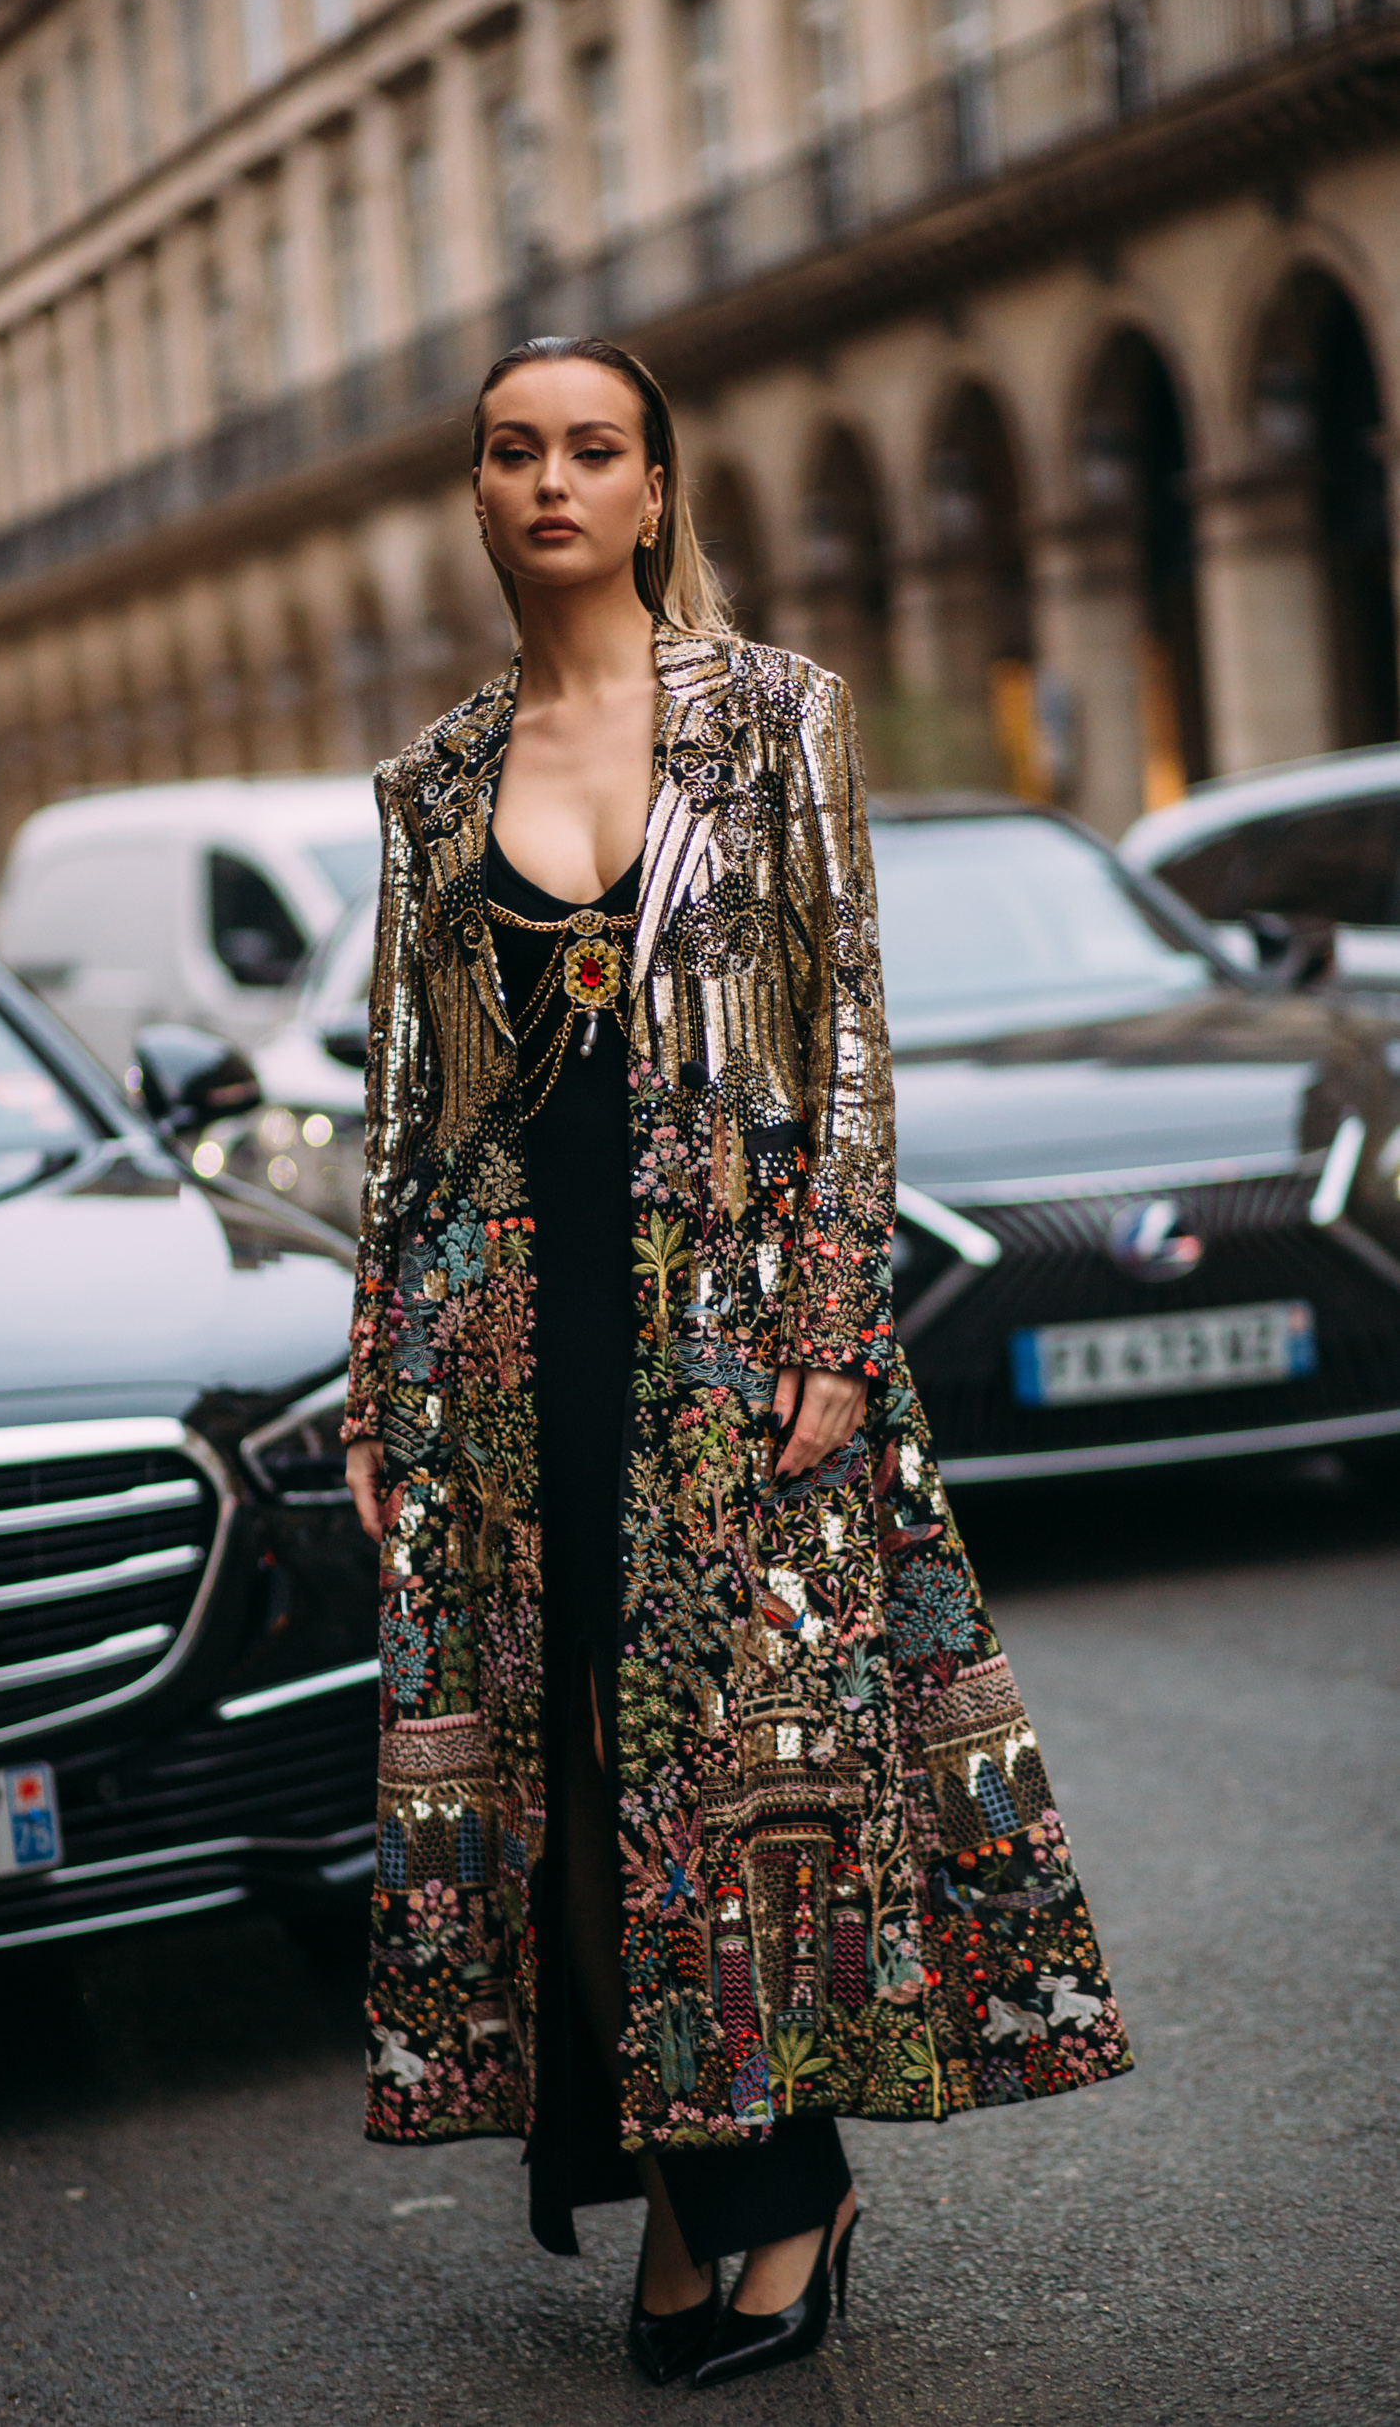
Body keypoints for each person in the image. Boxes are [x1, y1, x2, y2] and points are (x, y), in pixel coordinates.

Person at [344, 335, 1131, 2388]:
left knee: (752, 1777)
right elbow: (406, 1102)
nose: (550, 482)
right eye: (514, 451)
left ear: (657, 489)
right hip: (511, 1342)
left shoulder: (778, 718)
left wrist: (841, 1327)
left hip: (726, 1325)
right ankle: (711, 2190)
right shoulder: (433, 778)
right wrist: (376, 1379)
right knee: (570, 1783)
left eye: (592, 448)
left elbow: (852, 1035)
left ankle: (784, 2181)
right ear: (484, 493)